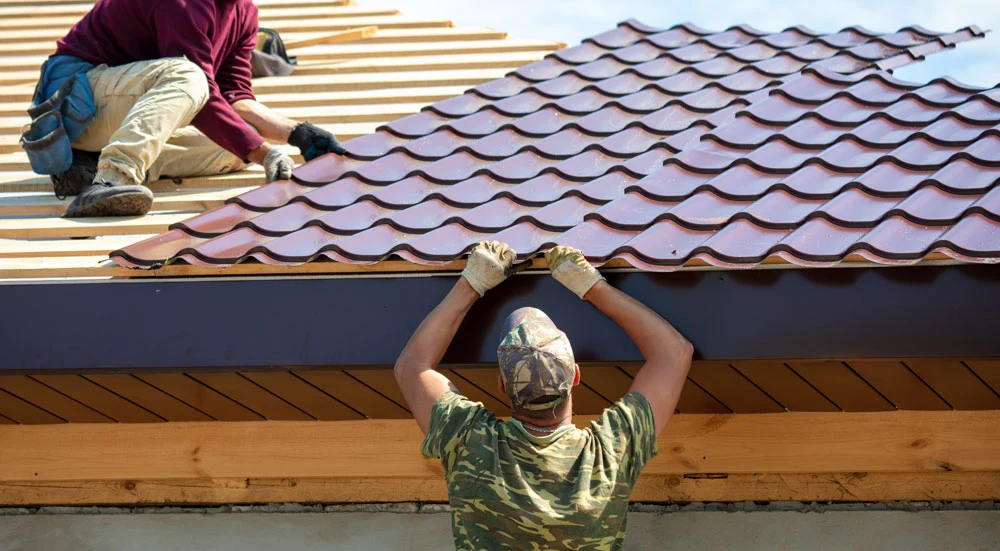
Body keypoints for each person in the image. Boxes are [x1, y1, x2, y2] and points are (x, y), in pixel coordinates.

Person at [394, 242, 694, 550]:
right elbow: (673, 352)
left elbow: (411, 368)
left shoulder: (470, 440)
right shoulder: (609, 454)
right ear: (576, 376)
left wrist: (471, 283)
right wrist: (590, 286)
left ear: (501, 385)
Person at [24, 0, 344, 218]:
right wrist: (264, 153)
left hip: (129, 104)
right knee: (189, 76)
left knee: (234, 149)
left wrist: (295, 133)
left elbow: (235, 94)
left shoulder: (243, 12)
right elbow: (197, 87)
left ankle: (88, 167)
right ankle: (111, 180)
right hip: (76, 101)